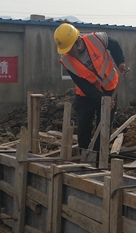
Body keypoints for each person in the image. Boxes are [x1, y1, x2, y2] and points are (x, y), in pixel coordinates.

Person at [54, 23, 130, 155]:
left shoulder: (97, 39)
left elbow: (115, 46)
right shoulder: (67, 61)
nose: (68, 52)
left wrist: (120, 63)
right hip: (85, 95)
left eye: (70, 48)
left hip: (109, 88)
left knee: (104, 125)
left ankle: (100, 157)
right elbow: (84, 85)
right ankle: (85, 156)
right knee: (83, 126)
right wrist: (102, 99)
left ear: (78, 41)